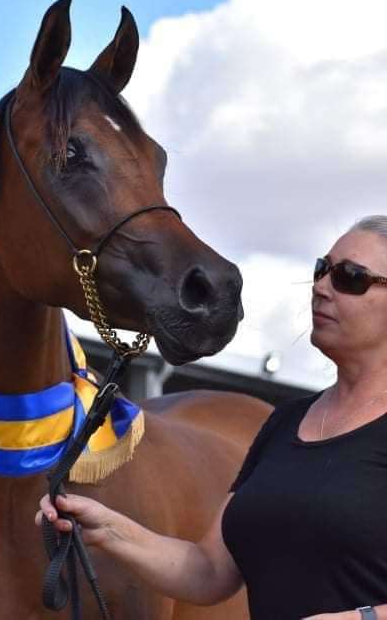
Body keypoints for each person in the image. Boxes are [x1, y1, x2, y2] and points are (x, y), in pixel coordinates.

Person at [36, 215, 387, 620]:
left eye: (350, 276)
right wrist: (108, 529)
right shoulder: (284, 424)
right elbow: (209, 570)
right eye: (321, 269)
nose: (321, 288)